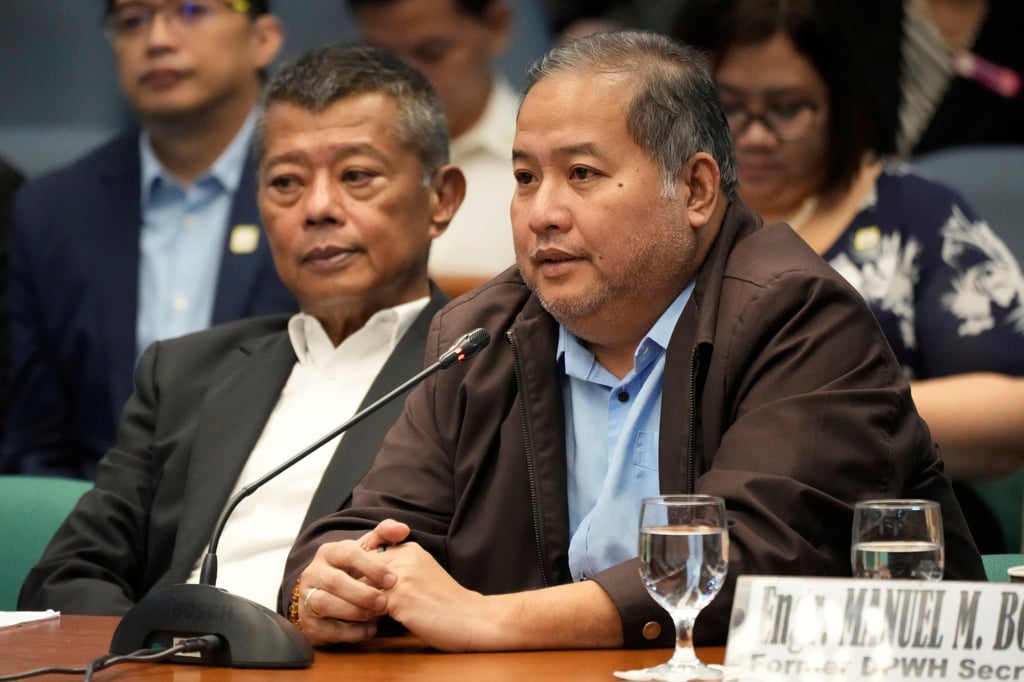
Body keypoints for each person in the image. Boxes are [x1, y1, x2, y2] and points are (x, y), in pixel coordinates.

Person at [281, 30, 985, 651]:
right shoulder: (481, 334)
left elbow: (755, 557)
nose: (542, 213)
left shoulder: (800, 316)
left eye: (582, 175)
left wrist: (489, 620)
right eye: (525, 178)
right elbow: (370, 526)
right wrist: (331, 585)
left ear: (697, 188)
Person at [18, 43, 464, 615]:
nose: (318, 207)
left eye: (357, 176)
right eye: (285, 183)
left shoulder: (479, 369)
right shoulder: (182, 373)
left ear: (441, 198)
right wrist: (153, 656)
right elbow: (67, 574)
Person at [675, 0, 1024, 554]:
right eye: (727, 108)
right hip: (700, 546)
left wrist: (820, 417)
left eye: (787, 109)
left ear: (839, 103)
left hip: (894, 546)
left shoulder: (916, 212)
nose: (757, 135)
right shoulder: (654, 224)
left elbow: (1012, 407)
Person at [1, 0, 298, 480]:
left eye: (191, 11)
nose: (157, 39)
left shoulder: (321, 191)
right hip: (91, 522)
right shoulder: (53, 209)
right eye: (133, 20)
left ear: (263, 38)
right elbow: (34, 438)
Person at [347, 0, 517, 292]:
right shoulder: (335, 160)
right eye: (383, 60)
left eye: (432, 53)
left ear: (495, 26)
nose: (406, 81)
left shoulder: (558, 158)